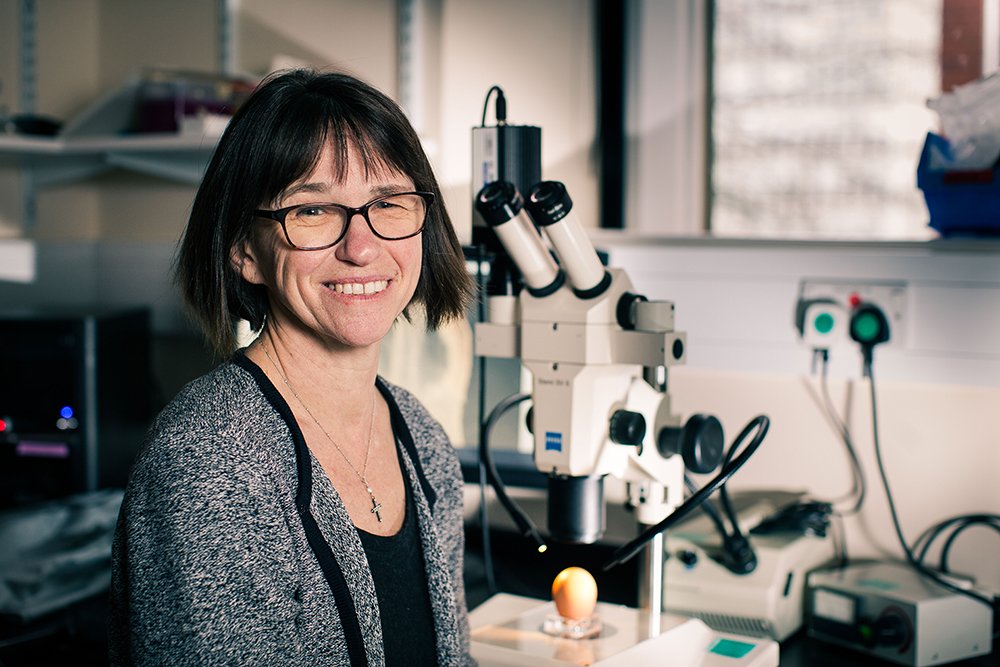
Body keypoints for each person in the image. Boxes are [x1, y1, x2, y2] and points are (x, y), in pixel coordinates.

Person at [109, 69, 476, 666]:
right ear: (245, 250)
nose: (361, 246)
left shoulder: (422, 439)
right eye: (313, 211)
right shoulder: (209, 457)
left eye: (388, 202)